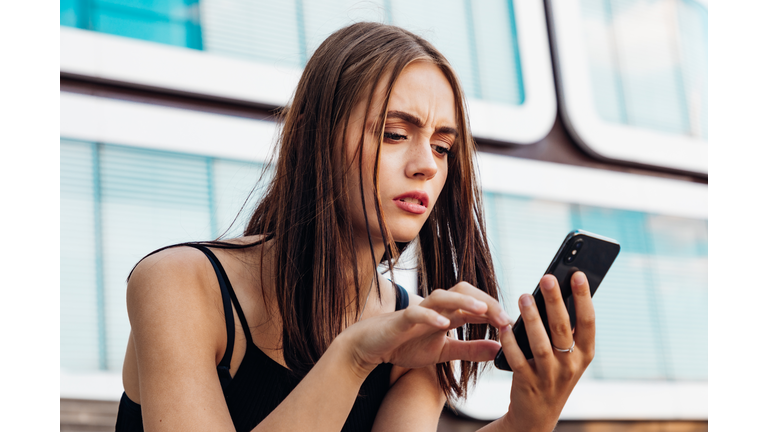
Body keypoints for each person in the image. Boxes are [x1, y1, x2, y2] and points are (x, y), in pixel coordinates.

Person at [115, 22, 595, 432]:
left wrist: (524, 423)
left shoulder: (416, 332)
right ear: (309, 137)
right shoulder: (182, 283)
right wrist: (352, 358)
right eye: (394, 134)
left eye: (443, 147)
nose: (426, 164)